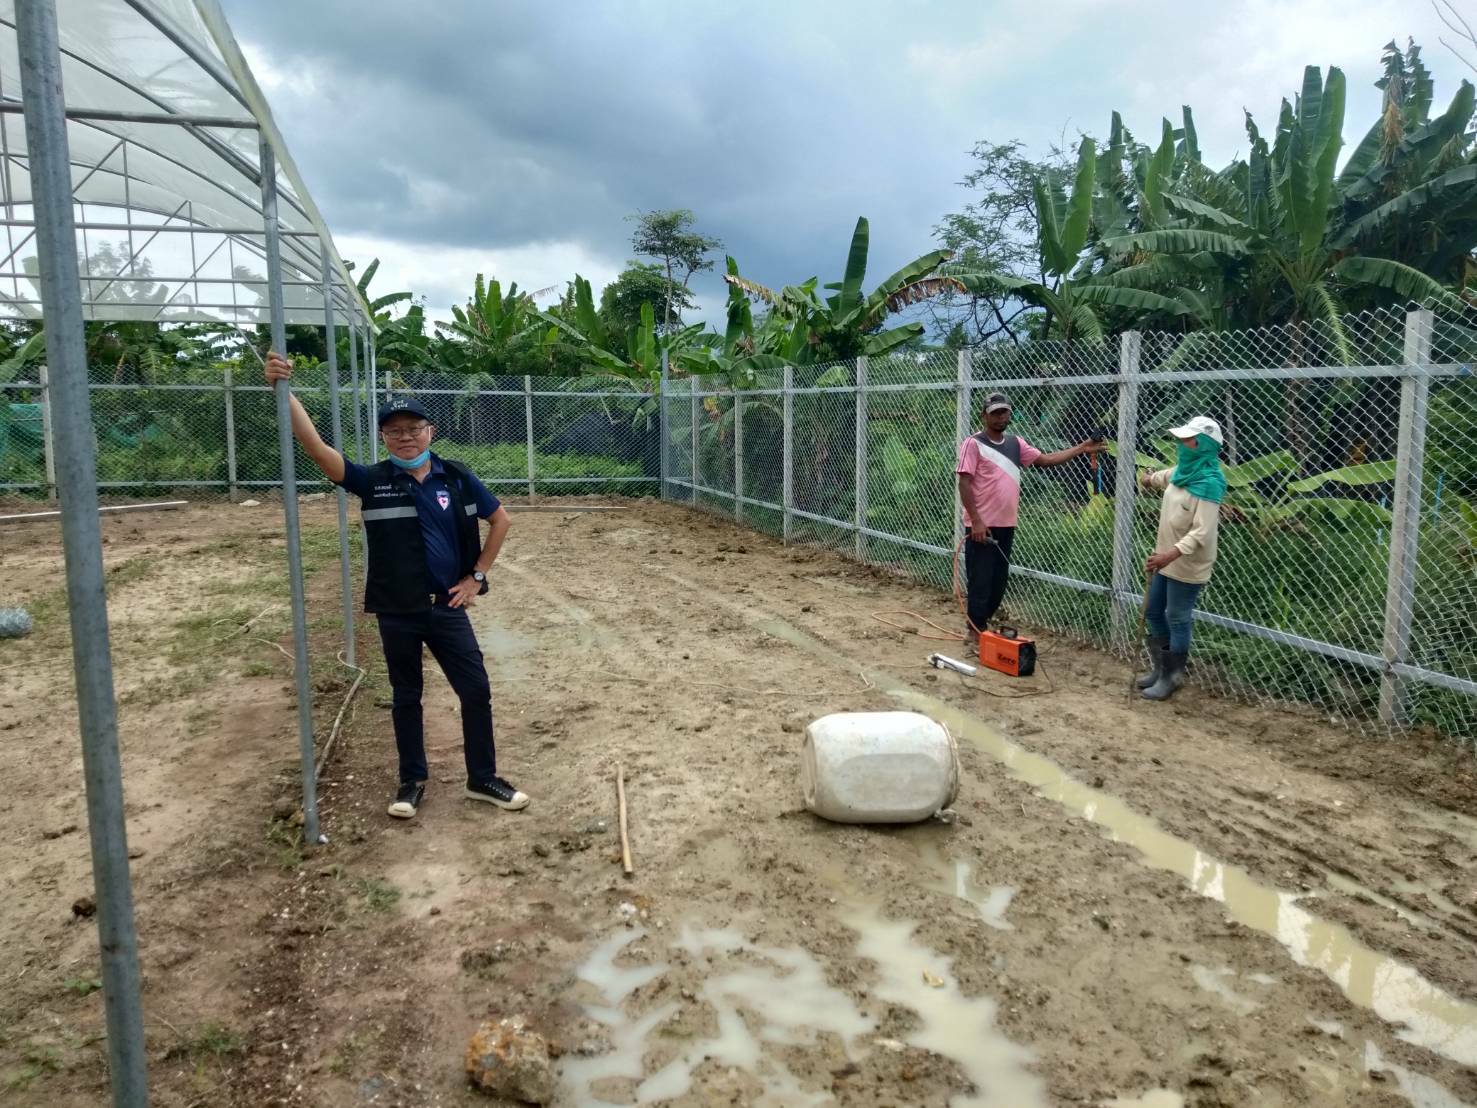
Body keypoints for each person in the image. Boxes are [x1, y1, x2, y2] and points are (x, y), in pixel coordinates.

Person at [263, 352, 530, 820]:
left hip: (447, 607)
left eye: (414, 429)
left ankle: (482, 779)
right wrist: (281, 390)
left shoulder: (458, 477)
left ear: (431, 432)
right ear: (383, 436)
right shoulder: (372, 481)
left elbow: (501, 520)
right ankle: (411, 782)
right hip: (397, 610)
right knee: (407, 696)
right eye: (395, 431)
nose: (405, 438)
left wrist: (476, 578)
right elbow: (315, 448)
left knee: (475, 690)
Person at [955, 391, 1102, 645]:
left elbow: (1045, 460)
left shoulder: (1015, 443)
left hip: (1006, 524)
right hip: (982, 525)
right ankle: (974, 633)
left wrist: (1082, 448)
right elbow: (964, 483)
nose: (1001, 417)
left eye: (1005, 412)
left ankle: (982, 625)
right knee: (980, 581)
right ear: (984, 416)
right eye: (995, 413)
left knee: (998, 582)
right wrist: (976, 520)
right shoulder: (973, 443)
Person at [1135, 415, 1227, 701]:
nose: (1180, 443)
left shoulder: (1211, 483)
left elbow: (1202, 532)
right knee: (1152, 612)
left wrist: (1169, 555)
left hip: (1186, 562)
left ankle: (1172, 677)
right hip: (1164, 558)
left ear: (1202, 445)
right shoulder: (1183, 470)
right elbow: (1165, 476)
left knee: (1176, 616)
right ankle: (1160, 669)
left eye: (1186, 439)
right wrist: (1149, 479)